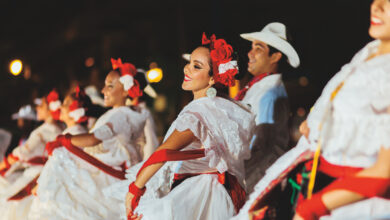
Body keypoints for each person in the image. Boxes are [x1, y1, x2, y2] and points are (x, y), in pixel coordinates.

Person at [233, 1, 390, 219]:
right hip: (312, 180)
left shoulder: (271, 92)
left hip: (353, 202)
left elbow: (384, 173)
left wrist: (312, 208)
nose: (377, 7)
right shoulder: (368, 53)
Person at [121, 33, 255, 220]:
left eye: (196, 66)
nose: (187, 69)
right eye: (190, 62)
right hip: (221, 191)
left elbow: (164, 152)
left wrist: (135, 189)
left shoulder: (197, 113)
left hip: (198, 194)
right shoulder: (222, 108)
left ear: (211, 80)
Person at [28, 59, 148, 220]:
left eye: (110, 86)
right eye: (105, 85)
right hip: (113, 169)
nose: (104, 90)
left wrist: (64, 141)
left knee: (60, 161)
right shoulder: (122, 113)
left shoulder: (120, 115)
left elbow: (93, 139)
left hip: (114, 175)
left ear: (126, 91)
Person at [0, 87, 90, 220]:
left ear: (50, 109)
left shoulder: (48, 130)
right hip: (45, 172)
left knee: (13, 203)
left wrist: (5, 165)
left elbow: (23, 152)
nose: (37, 108)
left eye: (41, 105)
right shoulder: (60, 129)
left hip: (42, 173)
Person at [235, 22, 300, 192]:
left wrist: (240, 185)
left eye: (258, 48)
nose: (250, 53)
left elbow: (263, 149)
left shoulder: (270, 94)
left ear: (275, 57)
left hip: (253, 183)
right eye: (251, 47)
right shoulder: (258, 87)